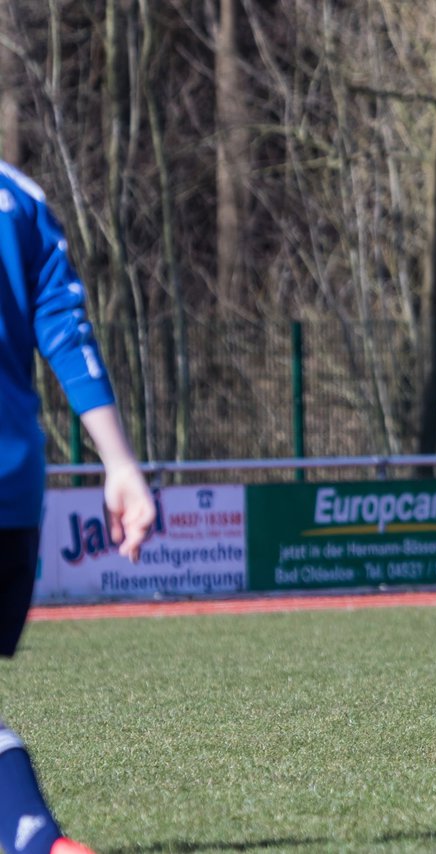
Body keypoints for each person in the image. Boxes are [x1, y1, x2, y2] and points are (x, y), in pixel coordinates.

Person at [0, 161, 156, 852]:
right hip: (13, 483)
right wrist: (118, 461)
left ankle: (35, 841)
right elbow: (65, 328)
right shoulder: (20, 197)